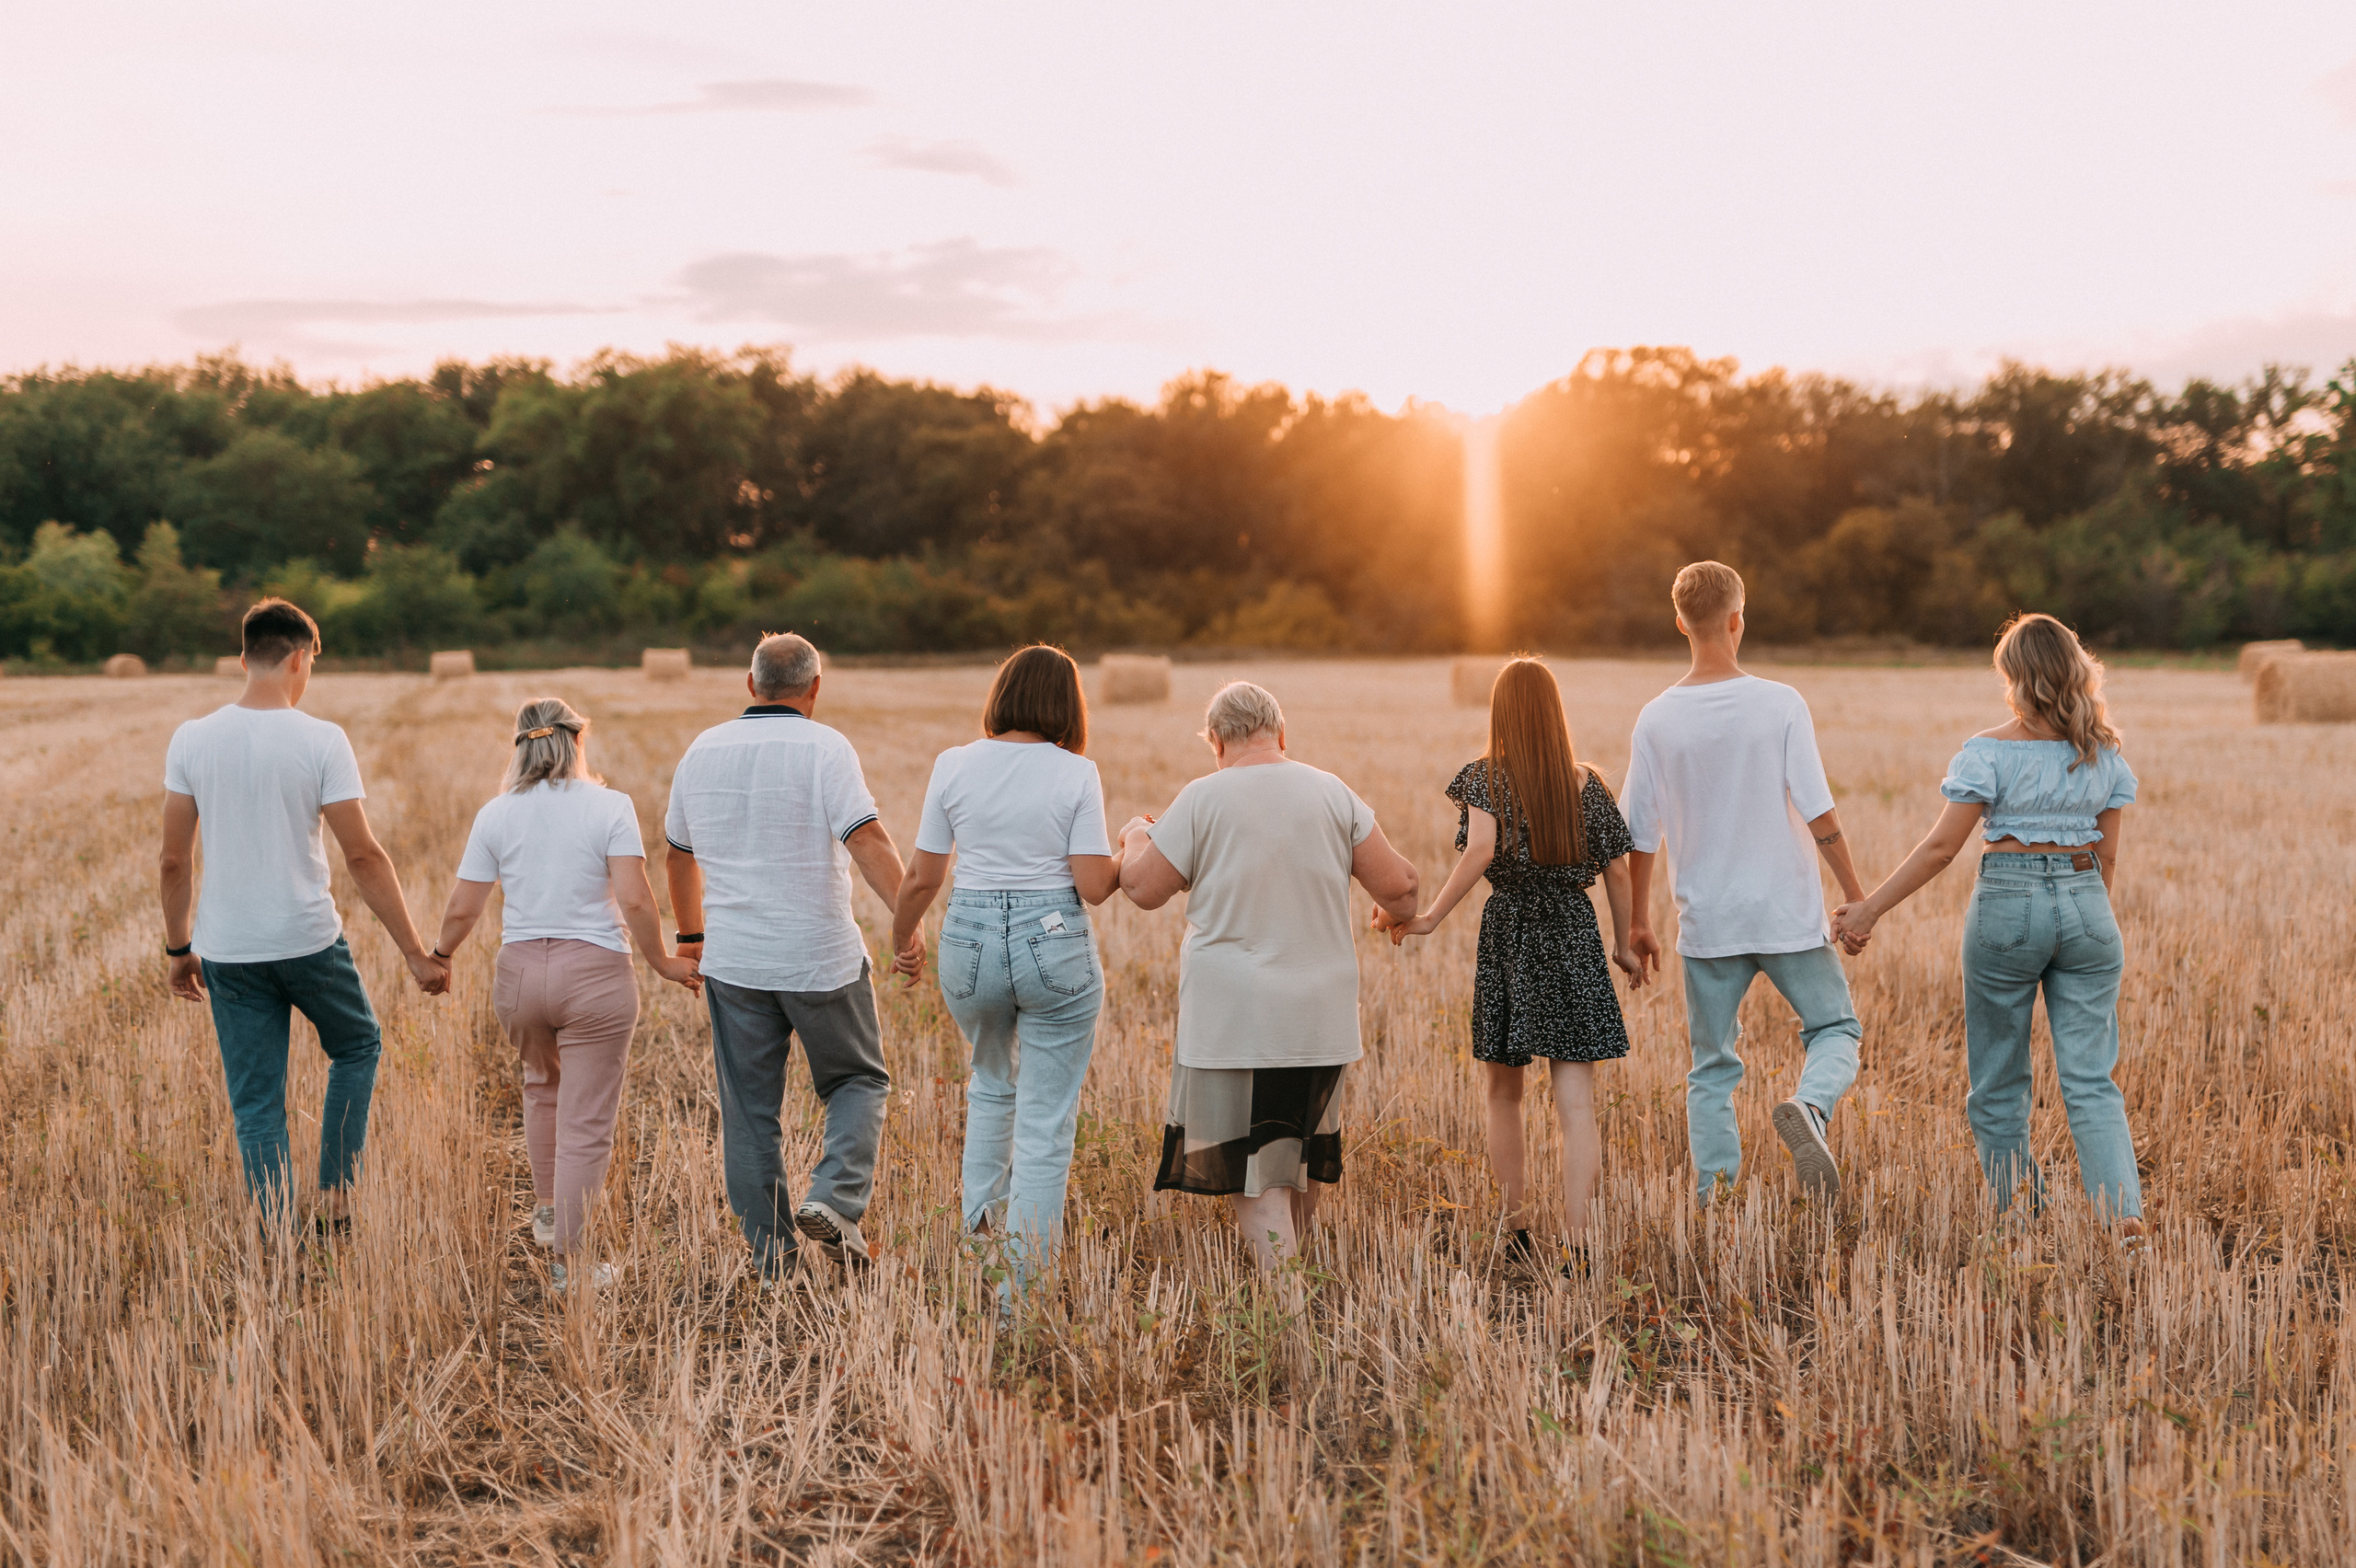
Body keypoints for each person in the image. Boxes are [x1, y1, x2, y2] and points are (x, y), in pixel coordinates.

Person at [1832, 614, 2144, 1244]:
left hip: (2009, 905)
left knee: (1999, 1078)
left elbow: (1941, 849)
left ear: (2016, 679)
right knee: (2090, 1079)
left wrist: (1868, 910)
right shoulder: (2105, 753)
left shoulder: (1990, 751)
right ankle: (2123, 1217)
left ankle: (2022, 1218)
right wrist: (2079, 916)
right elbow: (2107, 858)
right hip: (2089, 905)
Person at [158, 597, 447, 1228]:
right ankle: (337, 1196)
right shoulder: (322, 740)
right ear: (298, 658)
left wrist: (180, 950)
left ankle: (278, 1226)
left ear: (243, 659)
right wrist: (414, 952)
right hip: (308, 941)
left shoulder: (192, 739)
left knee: (255, 1101)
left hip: (229, 950)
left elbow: (173, 862)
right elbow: (365, 857)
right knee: (357, 1046)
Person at [1119, 681, 1419, 1269]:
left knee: (1259, 1183)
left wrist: (1135, 836)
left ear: (1216, 743)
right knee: (1294, 1165)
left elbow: (1140, 888)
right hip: (1319, 1018)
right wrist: (1393, 912)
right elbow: (1403, 887)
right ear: (1280, 734)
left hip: (1237, 1022)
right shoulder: (1331, 791)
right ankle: (1295, 1294)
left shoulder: (1204, 797)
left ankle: (1287, 1324)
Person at [429, 698, 704, 1294]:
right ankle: (571, 1266)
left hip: (520, 978)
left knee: (540, 1089)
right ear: (578, 742)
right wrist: (661, 961)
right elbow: (634, 899)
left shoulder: (495, 814)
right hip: (596, 977)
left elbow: (463, 907)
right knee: (585, 1122)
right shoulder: (610, 807)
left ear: (521, 746)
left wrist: (441, 957)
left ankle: (550, 1211)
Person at [1375, 657, 1642, 1271]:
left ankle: (1516, 1229)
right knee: (1576, 1101)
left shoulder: (1485, 778)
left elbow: (1483, 850)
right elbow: (1619, 868)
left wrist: (1433, 916)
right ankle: (1578, 1244)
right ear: (1554, 713)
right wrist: (1624, 946)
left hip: (1512, 933)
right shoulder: (1585, 783)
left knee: (1504, 1092)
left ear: (1499, 712)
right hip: (1574, 930)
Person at [1621, 561, 1867, 1204]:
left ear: (1680, 623)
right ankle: (1811, 1107)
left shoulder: (1655, 718)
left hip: (1708, 922)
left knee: (1711, 1068)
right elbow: (1818, 810)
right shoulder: (1780, 703)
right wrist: (1855, 894)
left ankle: (1716, 1197)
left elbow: (1638, 835)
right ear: (1737, 619)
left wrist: (1638, 922)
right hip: (1785, 913)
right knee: (1836, 1029)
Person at [664, 632, 908, 1281]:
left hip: (735, 963)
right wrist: (906, 921)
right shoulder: (826, 747)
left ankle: (773, 1259)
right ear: (816, 688)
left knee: (749, 1114)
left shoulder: (702, 749)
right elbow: (869, 840)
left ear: (751, 685)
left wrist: (690, 938)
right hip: (819, 957)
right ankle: (834, 1197)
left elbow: (677, 855)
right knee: (857, 1081)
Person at [888, 646, 1125, 1297]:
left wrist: (902, 935)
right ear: (1066, 705)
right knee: (1046, 1120)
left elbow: (923, 875)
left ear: (1002, 695)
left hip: (969, 942)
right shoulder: (1077, 772)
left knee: (992, 1085)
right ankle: (1018, 1297)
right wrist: (1132, 844)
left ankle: (977, 1256)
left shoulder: (953, 765)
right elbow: (1095, 885)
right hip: (1053, 943)